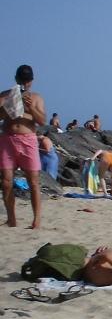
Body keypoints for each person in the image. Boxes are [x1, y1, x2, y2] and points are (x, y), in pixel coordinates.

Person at [1, 65, 46, 228]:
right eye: (22, 80)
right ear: (16, 79)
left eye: (27, 81)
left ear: (31, 81)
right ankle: (11, 218)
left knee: (33, 181)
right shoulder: (5, 95)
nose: (25, 83)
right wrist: (10, 105)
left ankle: (36, 219)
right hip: (8, 139)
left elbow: (42, 121)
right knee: (6, 182)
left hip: (28, 140)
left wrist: (31, 108)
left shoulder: (36, 97)